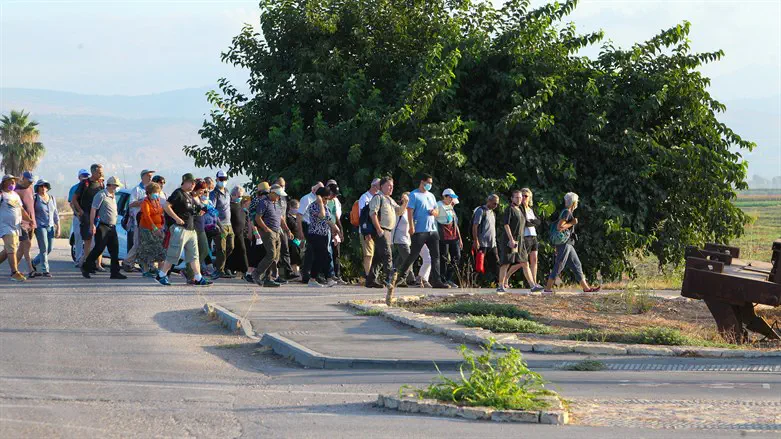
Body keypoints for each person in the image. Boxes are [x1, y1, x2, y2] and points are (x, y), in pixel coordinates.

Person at [393, 173, 450, 294]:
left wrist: (434, 212)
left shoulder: (431, 196)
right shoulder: (414, 195)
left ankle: (437, 281)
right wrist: (411, 226)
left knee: (436, 256)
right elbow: (410, 211)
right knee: (413, 255)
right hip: (420, 230)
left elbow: (437, 211)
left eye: (431, 183)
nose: (429, 185)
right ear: (422, 182)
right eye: (428, 183)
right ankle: (401, 276)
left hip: (432, 230)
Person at [156, 173, 212, 287]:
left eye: (194, 183)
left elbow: (192, 211)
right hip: (180, 229)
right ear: (184, 182)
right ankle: (161, 274)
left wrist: (200, 211)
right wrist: (176, 218)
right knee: (174, 253)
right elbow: (166, 206)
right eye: (191, 182)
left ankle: (198, 277)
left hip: (191, 229)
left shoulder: (189, 195)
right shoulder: (178, 193)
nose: (193, 185)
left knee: (194, 255)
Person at [545, 192, 601, 293]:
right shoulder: (566, 212)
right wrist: (572, 223)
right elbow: (559, 227)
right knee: (559, 265)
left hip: (568, 243)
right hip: (564, 243)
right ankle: (547, 288)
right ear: (574, 203)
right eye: (577, 202)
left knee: (576, 264)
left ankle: (586, 288)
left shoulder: (567, 212)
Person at [366, 177, 408, 291]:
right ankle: (390, 279)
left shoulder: (389, 199)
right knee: (387, 254)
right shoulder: (378, 197)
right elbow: (372, 214)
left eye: (392, 186)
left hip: (388, 231)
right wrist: (379, 229)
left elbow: (399, 211)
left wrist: (405, 203)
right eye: (388, 185)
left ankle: (371, 280)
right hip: (381, 230)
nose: (391, 188)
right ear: (381, 186)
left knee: (379, 257)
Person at [81, 176, 127, 280]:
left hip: (112, 227)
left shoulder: (113, 195)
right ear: (110, 185)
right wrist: (92, 224)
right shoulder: (101, 194)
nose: (117, 187)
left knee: (114, 250)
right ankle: (86, 267)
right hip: (103, 226)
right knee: (99, 248)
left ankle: (115, 272)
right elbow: (93, 209)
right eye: (116, 185)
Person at [498, 190, 543, 293]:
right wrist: (511, 239)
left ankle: (532, 285)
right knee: (506, 262)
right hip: (511, 240)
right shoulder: (510, 209)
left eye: (520, 197)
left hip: (521, 240)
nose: (519, 199)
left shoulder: (520, 209)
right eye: (517, 197)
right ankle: (500, 285)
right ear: (512, 198)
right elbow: (506, 224)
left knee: (525, 262)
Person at [252, 184, 288, 287]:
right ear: (272, 193)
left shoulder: (277, 203)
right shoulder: (264, 203)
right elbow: (258, 218)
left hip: (277, 232)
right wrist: (266, 229)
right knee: (271, 254)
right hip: (268, 232)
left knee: (275, 257)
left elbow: (281, 218)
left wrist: (287, 230)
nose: (279, 197)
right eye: (278, 195)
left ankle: (268, 279)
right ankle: (257, 273)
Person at [72, 164, 105, 270]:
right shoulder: (85, 183)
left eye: (102, 172)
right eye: (99, 172)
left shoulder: (101, 184)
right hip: (86, 215)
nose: (101, 174)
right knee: (88, 239)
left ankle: (98, 264)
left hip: (99, 215)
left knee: (100, 240)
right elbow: (74, 199)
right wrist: (80, 211)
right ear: (93, 172)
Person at [122, 169, 155, 272]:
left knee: (150, 244)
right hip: (139, 221)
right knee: (138, 244)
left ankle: (149, 265)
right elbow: (131, 204)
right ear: (143, 177)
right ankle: (127, 262)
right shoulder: (136, 189)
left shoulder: (151, 189)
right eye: (148, 176)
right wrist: (143, 202)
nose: (150, 178)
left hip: (150, 221)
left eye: (151, 176)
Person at [0, 175, 31, 282]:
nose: (13, 183)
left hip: (16, 226)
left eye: (14, 182)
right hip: (5, 227)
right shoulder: (1, 195)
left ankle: (14, 271)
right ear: (4, 183)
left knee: (8, 250)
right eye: (10, 181)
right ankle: (14, 272)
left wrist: (29, 220)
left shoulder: (15, 195)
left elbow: (21, 209)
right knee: (12, 248)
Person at [306, 186, 338, 287]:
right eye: (325, 199)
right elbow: (322, 216)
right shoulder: (313, 206)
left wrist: (336, 230)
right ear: (320, 197)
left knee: (323, 257)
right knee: (322, 256)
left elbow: (328, 220)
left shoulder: (326, 206)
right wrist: (320, 203)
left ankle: (324, 278)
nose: (327, 201)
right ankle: (314, 279)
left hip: (324, 235)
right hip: (315, 235)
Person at [137, 182, 166, 277]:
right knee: (146, 249)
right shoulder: (145, 203)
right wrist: (154, 228)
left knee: (160, 249)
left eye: (157, 192)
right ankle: (145, 271)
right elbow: (147, 216)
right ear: (149, 193)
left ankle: (159, 270)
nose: (156, 194)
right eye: (155, 192)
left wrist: (161, 226)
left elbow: (160, 213)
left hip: (158, 228)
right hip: (147, 229)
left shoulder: (157, 201)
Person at [31, 179, 59, 277]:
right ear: (37, 188)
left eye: (45, 186)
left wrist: (58, 226)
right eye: (41, 186)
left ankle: (34, 262)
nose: (43, 188)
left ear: (47, 188)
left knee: (49, 248)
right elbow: (31, 212)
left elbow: (55, 213)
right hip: (40, 226)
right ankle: (45, 270)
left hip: (50, 226)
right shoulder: (35, 198)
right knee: (43, 249)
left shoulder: (52, 198)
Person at [210, 170, 235, 279]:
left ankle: (219, 265)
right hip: (220, 225)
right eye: (221, 179)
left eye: (224, 179)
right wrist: (219, 225)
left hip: (229, 224)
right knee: (221, 249)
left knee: (231, 247)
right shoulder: (214, 194)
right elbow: (212, 210)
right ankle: (219, 270)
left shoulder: (227, 192)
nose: (223, 181)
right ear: (217, 179)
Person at [297, 181, 323, 284]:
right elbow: (299, 215)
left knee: (315, 251)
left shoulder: (319, 199)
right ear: (313, 189)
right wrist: (300, 232)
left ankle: (314, 274)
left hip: (315, 226)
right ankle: (306, 274)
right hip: (307, 225)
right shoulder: (306, 199)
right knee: (310, 251)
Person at [437, 188, 462, 288]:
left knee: (457, 257)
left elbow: (455, 223)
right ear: (445, 196)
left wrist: (460, 238)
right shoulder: (439, 205)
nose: (452, 200)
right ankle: (442, 280)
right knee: (443, 258)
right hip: (443, 236)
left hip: (454, 236)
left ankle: (448, 278)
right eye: (451, 197)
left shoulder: (451, 207)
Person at [472, 194, 500, 284]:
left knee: (496, 263)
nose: (496, 206)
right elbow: (475, 226)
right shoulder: (481, 211)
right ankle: (474, 282)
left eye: (497, 204)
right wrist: (476, 240)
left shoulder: (493, 213)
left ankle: (499, 282)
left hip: (492, 244)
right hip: (482, 243)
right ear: (489, 201)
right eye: (494, 203)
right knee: (479, 264)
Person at [391, 191, 416, 287]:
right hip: (400, 239)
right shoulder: (400, 210)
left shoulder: (410, 211)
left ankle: (392, 277)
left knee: (400, 261)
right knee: (409, 258)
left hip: (406, 239)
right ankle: (411, 279)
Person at [273, 177, 295, 282]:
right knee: (276, 252)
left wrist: (287, 229)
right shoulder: (273, 198)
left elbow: (284, 215)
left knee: (285, 250)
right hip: (275, 227)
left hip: (283, 226)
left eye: (284, 185)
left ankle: (287, 272)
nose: (283, 187)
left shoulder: (284, 198)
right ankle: (277, 274)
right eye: (281, 185)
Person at [15, 171, 37, 277]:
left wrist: (33, 221)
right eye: (28, 181)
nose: (30, 183)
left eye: (31, 182)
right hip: (21, 222)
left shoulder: (30, 188)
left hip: (31, 222)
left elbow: (31, 205)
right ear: (22, 179)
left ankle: (14, 269)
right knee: (26, 244)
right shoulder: (16, 191)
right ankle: (30, 270)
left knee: (22, 248)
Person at [325, 180, 347, 285]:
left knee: (336, 253)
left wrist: (340, 230)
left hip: (334, 229)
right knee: (326, 253)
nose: (334, 196)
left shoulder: (334, 201)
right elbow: (325, 218)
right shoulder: (323, 201)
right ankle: (327, 275)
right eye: (333, 194)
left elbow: (336, 217)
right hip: (326, 229)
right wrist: (332, 230)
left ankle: (337, 275)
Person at [358, 178, 380, 277]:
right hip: (367, 230)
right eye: (380, 186)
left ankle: (374, 275)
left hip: (377, 230)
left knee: (376, 254)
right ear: (374, 186)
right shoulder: (365, 197)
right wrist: (366, 232)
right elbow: (363, 216)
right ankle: (368, 276)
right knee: (368, 254)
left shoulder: (379, 197)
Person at [225, 186, 249, 278]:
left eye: (241, 196)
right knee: (234, 250)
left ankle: (239, 270)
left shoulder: (241, 205)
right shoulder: (229, 206)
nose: (240, 198)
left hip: (241, 232)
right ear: (233, 195)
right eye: (239, 196)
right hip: (232, 232)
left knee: (240, 251)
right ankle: (244, 271)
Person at [520, 188, 541, 287]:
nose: (523, 198)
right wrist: (532, 221)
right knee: (522, 261)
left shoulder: (531, 209)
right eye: (522, 195)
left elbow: (538, 221)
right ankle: (506, 276)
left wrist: (532, 221)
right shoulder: (520, 208)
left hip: (533, 236)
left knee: (534, 259)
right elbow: (525, 222)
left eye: (526, 196)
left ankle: (534, 282)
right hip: (525, 236)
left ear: (529, 198)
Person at [68, 169, 90, 266]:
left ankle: (86, 259)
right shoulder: (74, 188)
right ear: (79, 177)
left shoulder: (89, 186)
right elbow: (72, 203)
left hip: (88, 217)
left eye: (86, 175)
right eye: (83, 175)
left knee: (89, 238)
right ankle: (78, 259)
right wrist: (77, 213)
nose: (85, 177)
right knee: (78, 237)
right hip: (78, 217)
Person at [286, 199, 303, 276]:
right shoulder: (288, 217)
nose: (298, 209)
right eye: (296, 207)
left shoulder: (298, 217)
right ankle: (295, 272)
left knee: (297, 253)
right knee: (294, 252)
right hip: (290, 240)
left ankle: (297, 272)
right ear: (291, 207)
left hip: (298, 240)